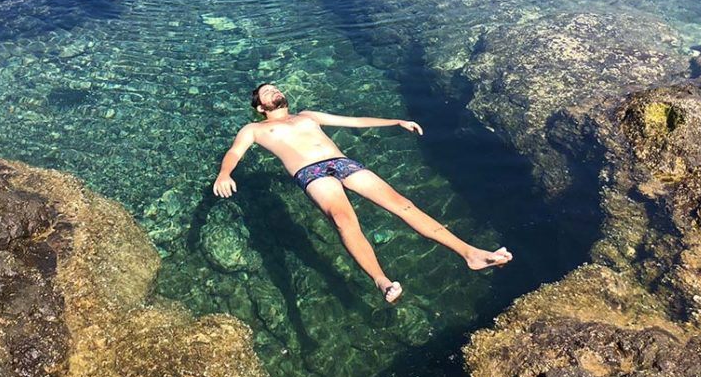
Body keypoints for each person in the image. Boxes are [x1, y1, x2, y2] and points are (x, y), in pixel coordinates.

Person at [212, 83, 513, 304]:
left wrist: (396, 121)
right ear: (259, 107)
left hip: (343, 163)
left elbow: (354, 121)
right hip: (311, 173)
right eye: (266, 92)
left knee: (402, 204)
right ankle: (381, 281)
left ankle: (471, 253)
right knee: (343, 219)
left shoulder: (307, 116)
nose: (273, 91)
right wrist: (225, 173)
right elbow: (234, 152)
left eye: (275, 88)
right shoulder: (254, 128)